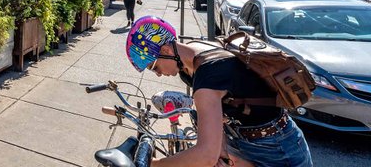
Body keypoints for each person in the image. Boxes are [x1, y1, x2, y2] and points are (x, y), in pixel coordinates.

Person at [125, 16, 313, 167]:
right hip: (250, 140)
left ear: (165, 49)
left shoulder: (207, 77)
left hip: (276, 149)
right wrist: (221, 144)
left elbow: (205, 156)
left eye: (153, 66)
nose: (157, 74)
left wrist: (155, 164)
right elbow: (225, 108)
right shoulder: (194, 58)